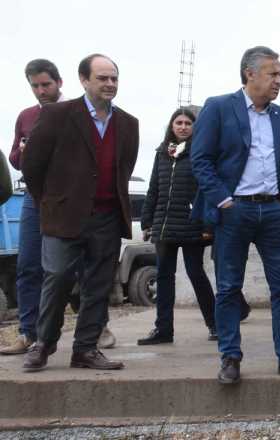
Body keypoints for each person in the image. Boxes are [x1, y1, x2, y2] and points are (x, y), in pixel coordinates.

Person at [190, 46, 280, 384]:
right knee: (229, 288)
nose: (279, 80)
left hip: (275, 212)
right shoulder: (218, 108)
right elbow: (200, 160)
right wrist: (224, 201)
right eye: (272, 74)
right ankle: (230, 358)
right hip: (235, 212)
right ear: (250, 74)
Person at [21, 54, 140, 372]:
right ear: (84, 80)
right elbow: (33, 165)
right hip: (64, 216)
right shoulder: (58, 115)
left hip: (106, 218)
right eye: (102, 78)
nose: (110, 84)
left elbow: (123, 170)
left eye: (114, 78)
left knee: (99, 285)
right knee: (57, 278)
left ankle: (85, 349)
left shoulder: (128, 124)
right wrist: (50, 202)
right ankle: (43, 344)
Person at [137, 108, 218, 345]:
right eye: (178, 122)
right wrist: (147, 221)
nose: (183, 126)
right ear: (171, 126)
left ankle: (215, 324)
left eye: (187, 123)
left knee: (196, 273)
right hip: (164, 226)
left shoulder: (201, 153)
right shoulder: (162, 153)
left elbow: (206, 189)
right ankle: (163, 330)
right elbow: (154, 188)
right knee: (164, 277)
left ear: (195, 127)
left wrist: (207, 224)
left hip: (192, 225)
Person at [1, 59, 63, 356]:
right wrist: (24, 152)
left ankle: (95, 327)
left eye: (46, 85)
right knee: (28, 265)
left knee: (70, 268)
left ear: (59, 83)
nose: (41, 91)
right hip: (33, 198)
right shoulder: (26, 116)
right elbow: (13, 158)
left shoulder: (74, 111)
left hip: (66, 198)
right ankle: (28, 333)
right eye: (35, 86)